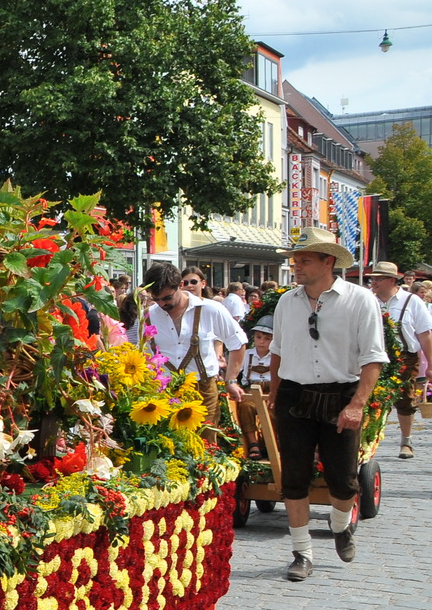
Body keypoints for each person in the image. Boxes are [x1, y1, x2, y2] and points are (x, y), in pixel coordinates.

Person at [268, 227, 386, 582]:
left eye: (304, 259)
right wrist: (275, 394)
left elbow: (373, 359)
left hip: (341, 396)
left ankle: (339, 524)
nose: (296, 266)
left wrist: (357, 404)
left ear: (328, 261)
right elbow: (277, 351)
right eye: (295, 259)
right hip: (294, 395)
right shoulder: (287, 301)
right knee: (294, 478)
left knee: (343, 481)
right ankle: (301, 553)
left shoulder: (360, 299)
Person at [142, 262, 246, 436]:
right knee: (169, 450)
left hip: (203, 389)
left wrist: (231, 380)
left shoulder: (211, 309)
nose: (161, 304)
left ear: (181, 285)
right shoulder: (148, 315)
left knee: (205, 448)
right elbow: (144, 354)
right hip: (164, 392)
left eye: (167, 298)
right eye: (156, 299)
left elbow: (238, 342)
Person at [367, 261, 432, 459]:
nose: (374, 282)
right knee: (369, 398)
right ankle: (367, 441)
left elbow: (424, 334)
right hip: (373, 356)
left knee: (405, 399)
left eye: (378, 278)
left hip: (405, 356)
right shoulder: (367, 300)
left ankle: (406, 441)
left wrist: (430, 364)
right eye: (373, 278)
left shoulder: (412, 301)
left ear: (392, 280)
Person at [236, 317, 275, 458]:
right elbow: (235, 370)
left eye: (267, 338)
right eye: (258, 337)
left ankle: (269, 443)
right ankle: (253, 443)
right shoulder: (247, 355)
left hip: (271, 392)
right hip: (251, 390)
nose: (262, 342)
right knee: (246, 407)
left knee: (272, 412)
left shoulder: (276, 356)